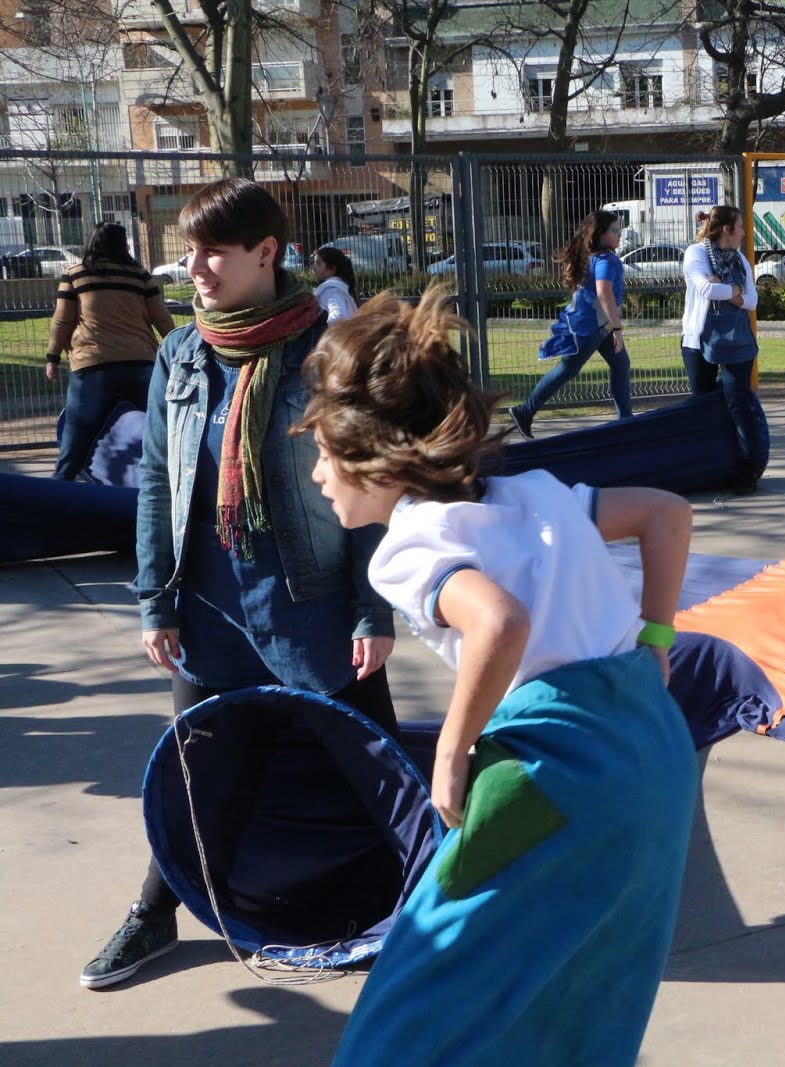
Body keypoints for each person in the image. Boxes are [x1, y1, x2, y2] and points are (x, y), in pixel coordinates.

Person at [293, 287, 698, 1065]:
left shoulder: (410, 545)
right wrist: (654, 640)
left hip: (553, 772)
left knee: (421, 993)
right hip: (654, 747)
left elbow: (500, 622)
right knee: (590, 980)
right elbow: (666, 514)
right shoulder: (539, 496)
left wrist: (453, 749)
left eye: (320, 450)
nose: (315, 473)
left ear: (371, 455)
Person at [80, 177, 397, 991]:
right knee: (200, 775)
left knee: (378, 773)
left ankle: (430, 916)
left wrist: (373, 606)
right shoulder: (181, 353)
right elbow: (157, 483)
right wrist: (157, 598)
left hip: (313, 601)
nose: (194, 268)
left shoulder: (329, 354)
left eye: (212, 251)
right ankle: (155, 913)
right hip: (210, 605)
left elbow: (366, 485)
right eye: (189, 250)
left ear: (267, 253)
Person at [45, 221, 176, 480]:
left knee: (78, 430)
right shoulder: (140, 275)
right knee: (153, 429)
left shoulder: (75, 274)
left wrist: (52, 357)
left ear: (91, 241)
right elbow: (161, 318)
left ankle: (60, 487)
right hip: (141, 364)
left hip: (93, 366)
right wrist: (175, 352)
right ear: (123, 243)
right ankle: (163, 484)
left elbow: (62, 321)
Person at [509, 210, 631, 437]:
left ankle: (626, 421)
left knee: (621, 365)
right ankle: (524, 411)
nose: (619, 235)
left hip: (599, 326)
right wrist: (617, 329)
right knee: (568, 369)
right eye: (614, 231)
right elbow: (604, 292)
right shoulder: (604, 260)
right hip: (588, 328)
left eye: (619, 230)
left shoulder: (601, 258)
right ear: (600, 234)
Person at [681, 205, 766, 490]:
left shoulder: (741, 261)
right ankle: (708, 465)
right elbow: (707, 290)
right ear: (727, 230)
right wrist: (736, 291)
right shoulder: (696, 254)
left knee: (738, 401)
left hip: (735, 340)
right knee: (703, 403)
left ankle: (748, 468)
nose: (744, 233)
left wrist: (731, 289)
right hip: (699, 340)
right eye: (740, 227)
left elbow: (752, 301)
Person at [312, 244, 359, 322]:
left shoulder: (332, 292)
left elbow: (339, 316)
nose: (313, 266)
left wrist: (319, 329)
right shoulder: (334, 289)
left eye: (318, 263)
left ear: (332, 268)